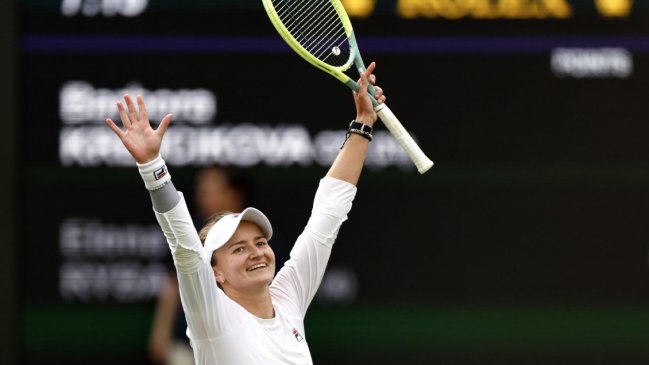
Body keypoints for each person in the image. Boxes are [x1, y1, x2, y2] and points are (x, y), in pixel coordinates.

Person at [106, 62, 386, 364]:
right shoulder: (212, 317)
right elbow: (185, 247)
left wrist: (363, 123)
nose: (256, 253)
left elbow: (327, 214)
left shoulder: (288, 297)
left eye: (260, 243)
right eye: (239, 248)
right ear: (216, 273)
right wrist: (151, 165)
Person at [148, 165, 251, 365]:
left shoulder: (254, 231)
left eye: (208, 190)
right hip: (188, 344)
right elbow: (172, 283)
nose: (201, 196)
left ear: (233, 194)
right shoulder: (189, 232)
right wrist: (160, 332)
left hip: (241, 344)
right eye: (200, 190)